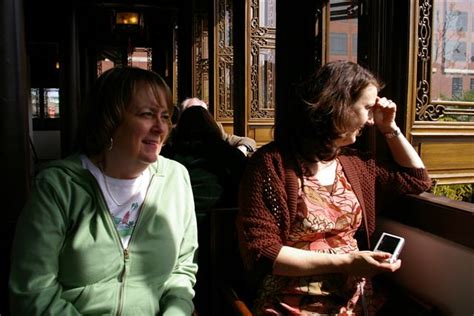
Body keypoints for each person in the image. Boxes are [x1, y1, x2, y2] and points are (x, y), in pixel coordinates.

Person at [236, 61, 432, 315]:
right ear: (339, 107)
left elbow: (417, 178)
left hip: (357, 300)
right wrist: (347, 262)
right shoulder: (270, 164)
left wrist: (390, 128)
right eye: (367, 109)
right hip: (293, 301)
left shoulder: (354, 163)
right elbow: (263, 252)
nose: (371, 121)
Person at [9, 67, 198, 315]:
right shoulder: (58, 187)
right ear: (109, 120)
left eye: (165, 116)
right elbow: (33, 291)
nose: (160, 128)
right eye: (147, 114)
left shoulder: (176, 179)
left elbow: (181, 271)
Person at [163, 105, 247, 212]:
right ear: (211, 124)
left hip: (180, 216)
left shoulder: (170, 155)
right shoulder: (228, 152)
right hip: (223, 220)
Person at [179, 97, 257, 156]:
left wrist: (241, 149)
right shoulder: (175, 133)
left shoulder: (215, 129)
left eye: (202, 114)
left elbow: (249, 141)